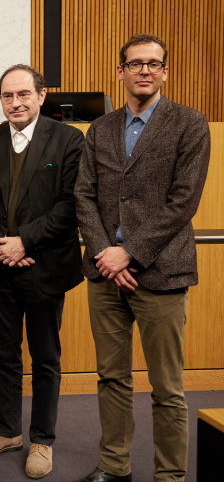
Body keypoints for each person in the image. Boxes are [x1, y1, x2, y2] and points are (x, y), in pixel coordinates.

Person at [73, 34, 210, 482]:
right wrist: (104, 254)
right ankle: (115, 467)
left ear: (165, 72)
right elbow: (84, 196)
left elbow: (183, 201)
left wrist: (129, 252)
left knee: (167, 388)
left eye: (154, 64)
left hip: (161, 272)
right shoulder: (100, 129)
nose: (145, 71)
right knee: (112, 379)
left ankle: (169, 476)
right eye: (135, 64)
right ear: (121, 71)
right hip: (105, 276)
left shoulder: (190, 124)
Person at [0, 64, 84, 479]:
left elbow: (71, 205)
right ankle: (6, 432)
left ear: (41, 95)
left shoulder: (69, 140)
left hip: (45, 268)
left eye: (22, 94)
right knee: (2, 356)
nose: (15, 102)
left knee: (45, 358)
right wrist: (3, 243)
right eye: (7, 96)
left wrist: (25, 242)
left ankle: (42, 440)